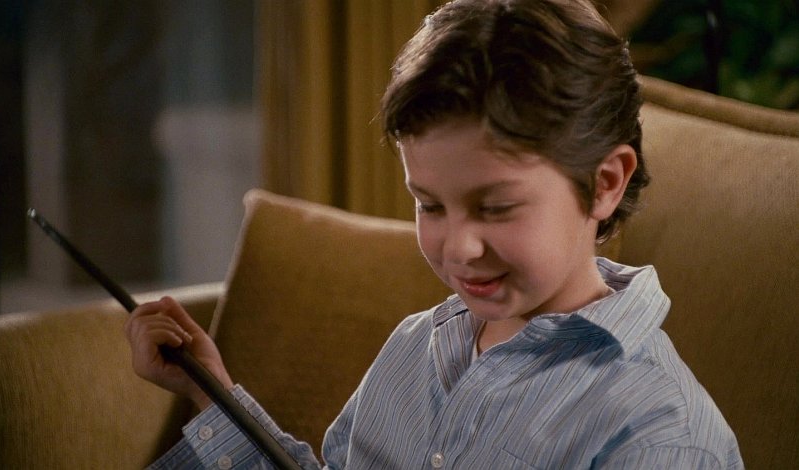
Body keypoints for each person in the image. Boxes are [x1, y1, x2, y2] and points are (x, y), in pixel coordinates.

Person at [125, 0, 743, 468]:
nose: (458, 248)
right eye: (429, 205)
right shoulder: (415, 347)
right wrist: (213, 393)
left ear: (605, 183)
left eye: (496, 207)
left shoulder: (660, 435)